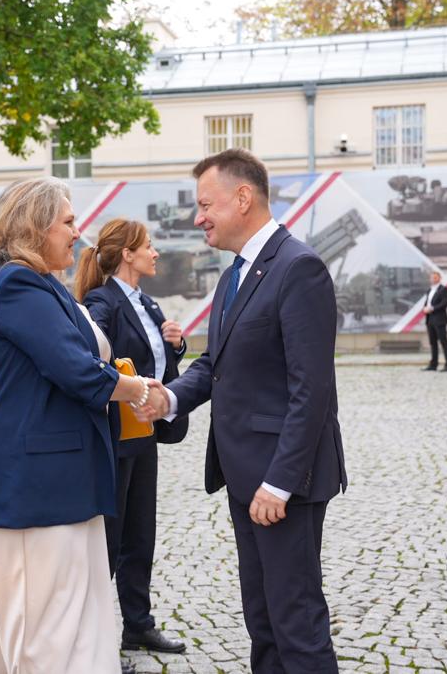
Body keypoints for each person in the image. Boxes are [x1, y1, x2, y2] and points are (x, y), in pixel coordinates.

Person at [143, 149, 347, 673]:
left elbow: (313, 389)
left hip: (282, 486)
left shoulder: (298, 267)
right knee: (263, 620)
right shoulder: (237, 273)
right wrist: (169, 397)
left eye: (206, 204)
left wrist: (280, 483)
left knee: (296, 622)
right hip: (243, 478)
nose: (198, 217)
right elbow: (217, 362)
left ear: (243, 197)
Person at [0, 177, 160, 674]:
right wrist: (139, 391)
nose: (76, 231)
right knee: (45, 642)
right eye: (68, 221)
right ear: (34, 226)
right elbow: (77, 369)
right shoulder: (16, 283)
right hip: (33, 499)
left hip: (60, 493)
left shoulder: (40, 282)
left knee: (73, 633)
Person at [74, 218, 189, 657]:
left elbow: (156, 365)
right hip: (116, 435)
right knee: (111, 537)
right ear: (127, 254)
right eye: (149, 245)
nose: (155, 252)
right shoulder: (102, 302)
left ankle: (137, 625)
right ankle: (96, 635)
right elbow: (91, 350)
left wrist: (174, 347)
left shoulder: (149, 304)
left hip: (143, 434)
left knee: (141, 533)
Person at [422, 270, 447, 372]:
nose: (433, 279)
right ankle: (433, 364)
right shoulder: (429, 290)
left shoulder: (444, 289)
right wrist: (425, 308)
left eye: (435, 277)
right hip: (430, 319)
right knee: (433, 342)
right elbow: (427, 302)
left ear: (439, 278)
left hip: (440, 319)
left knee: (443, 342)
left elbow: (444, 303)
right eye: (432, 277)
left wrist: (432, 308)